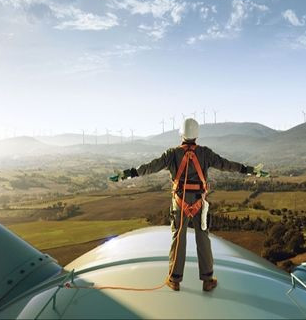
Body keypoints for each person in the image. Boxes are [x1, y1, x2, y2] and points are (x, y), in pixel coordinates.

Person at [110, 118, 268, 292]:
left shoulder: (171, 154)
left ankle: (175, 279)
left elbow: (150, 167)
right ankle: (207, 280)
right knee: (203, 238)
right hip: (200, 202)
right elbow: (226, 165)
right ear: (197, 135)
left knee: (179, 237)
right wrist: (250, 170)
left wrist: (128, 174)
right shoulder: (205, 154)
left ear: (181, 134)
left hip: (179, 202)